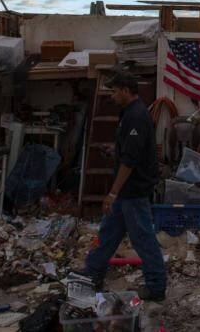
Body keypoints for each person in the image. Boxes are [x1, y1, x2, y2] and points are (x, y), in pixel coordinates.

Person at [84, 72, 166, 301]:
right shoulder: (128, 114)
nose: (111, 95)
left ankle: (157, 286)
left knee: (143, 238)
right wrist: (114, 151)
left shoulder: (137, 116)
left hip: (133, 191)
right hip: (125, 193)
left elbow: (130, 161)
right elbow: (128, 150)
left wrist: (112, 193)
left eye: (114, 90)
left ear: (126, 90)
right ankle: (92, 276)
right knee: (108, 233)